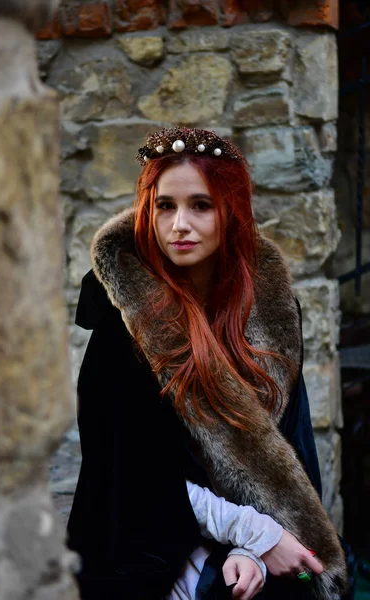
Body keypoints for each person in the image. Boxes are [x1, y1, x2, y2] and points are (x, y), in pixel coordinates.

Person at [67, 127, 348, 600]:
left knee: (294, 586)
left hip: (252, 543)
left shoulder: (272, 313)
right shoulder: (123, 325)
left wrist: (254, 550)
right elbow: (122, 474)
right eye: (165, 206)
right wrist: (255, 533)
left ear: (230, 212)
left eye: (200, 205)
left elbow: (292, 453)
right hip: (152, 547)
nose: (179, 224)